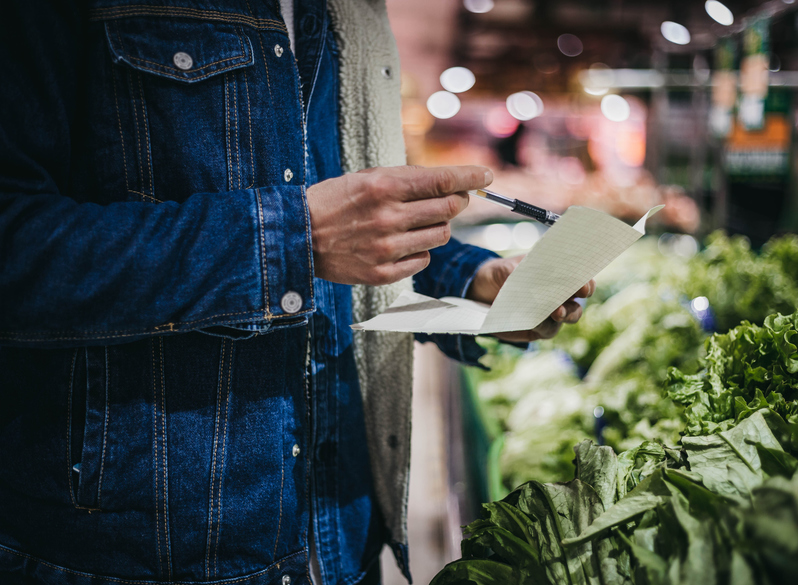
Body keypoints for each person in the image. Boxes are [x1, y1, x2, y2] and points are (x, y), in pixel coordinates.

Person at [0, 1, 592, 584]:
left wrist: (471, 278)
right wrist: (292, 238)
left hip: (340, 533)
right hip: (145, 549)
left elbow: (346, 219)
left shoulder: (347, 12)